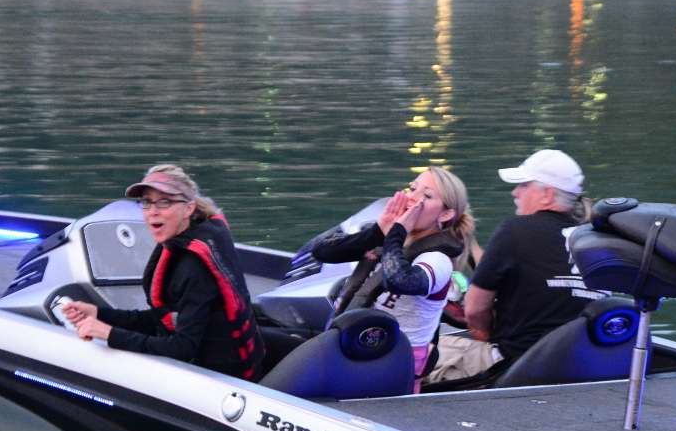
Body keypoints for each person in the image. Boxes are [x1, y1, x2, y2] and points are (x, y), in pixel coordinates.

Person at [61, 164, 265, 381]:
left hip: (224, 380)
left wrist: (108, 334)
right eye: (147, 202)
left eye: (165, 202)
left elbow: (182, 347)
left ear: (188, 209)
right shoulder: (183, 242)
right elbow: (164, 318)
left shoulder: (194, 267)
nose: (153, 211)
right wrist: (99, 314)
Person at [423, 148, 599, 386]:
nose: (515, 192)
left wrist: (484, 335)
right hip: (581, 363)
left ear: (547, 194)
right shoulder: (593, 237)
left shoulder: (516, 231)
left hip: (516, 365)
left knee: (413, 349)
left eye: (523, 185)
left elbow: (474, 309)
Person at [311, 167, 476, 387]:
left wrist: (395, 233)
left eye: (426, 196)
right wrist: (379, 230)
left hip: (390, 363)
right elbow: (322, 251)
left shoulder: (438, 260)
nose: (413, 199)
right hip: (353, 346)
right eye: (413, 189)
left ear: (445, 214)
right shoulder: (388, 237)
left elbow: (399, 280)